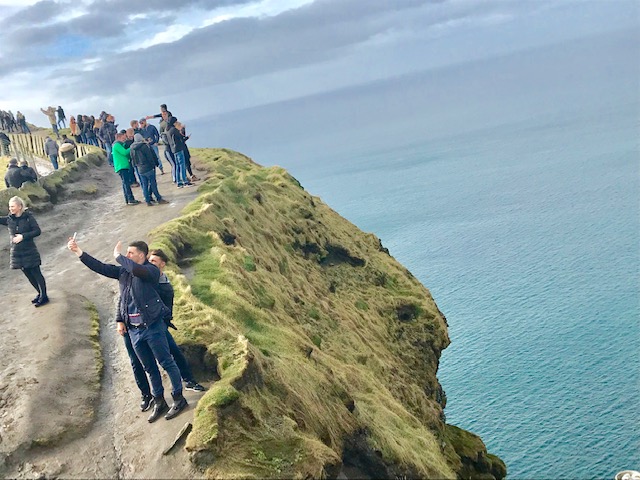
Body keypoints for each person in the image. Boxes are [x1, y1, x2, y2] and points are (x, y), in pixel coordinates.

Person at [66, 238, 188, 422]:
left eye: (131, 253)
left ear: (142, 255)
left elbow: (137, 270)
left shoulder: (151, 270)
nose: (127, 256)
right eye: (127, 253)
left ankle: (179, 398)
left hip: (152, 327)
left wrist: (118, 256)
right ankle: (159, 401)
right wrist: (78, 252)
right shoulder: (124, 272)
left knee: (166, 362)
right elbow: (100, 267)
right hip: (134, 331)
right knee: (149, 368)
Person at [124, 248, 206, 412]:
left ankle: (186, 383)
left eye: (154, 261)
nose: (150, 263)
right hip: (132, 326)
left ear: (162, 265)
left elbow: (167, 306)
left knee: (171, 354)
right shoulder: (138, 276)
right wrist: (120, 320)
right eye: (149, 260)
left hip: (155, 325)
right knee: (138, 362)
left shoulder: (163, 284)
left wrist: (161, 322)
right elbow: (124, 298)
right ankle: (148, 396)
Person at [0, 196, 49, 306]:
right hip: (17, 253)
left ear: (19, 206)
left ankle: (44, 296)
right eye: (9, 206)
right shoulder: (9, 219)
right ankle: (40, 294)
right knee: (28, 274)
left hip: (29, 250)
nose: (10, 208)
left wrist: (23, 236)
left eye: (12, 206)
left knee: (36, 273)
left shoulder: (28, 217)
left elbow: (37, 231)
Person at [130, 133, 168, 206]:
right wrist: (154, 165)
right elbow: (150, 157)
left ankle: (147, 201)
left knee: (144, 185)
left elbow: (132, 159)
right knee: (153, 184)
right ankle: (159, 199)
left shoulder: (132, 147)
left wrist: (136, 166)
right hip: (148, 168)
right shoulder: (145, 146)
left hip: (140, 169)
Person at [111, 131, 140, 205]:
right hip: (121, 166)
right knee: (126, 183)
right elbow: (124, 152)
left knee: (125, 183)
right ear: (119, 138)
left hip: (123, 166)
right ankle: (130, 199)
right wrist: (132, 146)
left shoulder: (119, 145)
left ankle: (128, 199)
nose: (124, 139)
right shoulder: (117, 145)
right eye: (123, 138)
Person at [165, 117, 192, 188]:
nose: (177, 122)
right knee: (182, 165)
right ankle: (185, 181)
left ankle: (179, 182)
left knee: (177, 166)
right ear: (174, 123)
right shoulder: (174, 130)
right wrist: (186, 137)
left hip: (173, 150)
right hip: (179, 149)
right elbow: (181, 139)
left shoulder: (168, 130)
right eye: (176, 121)